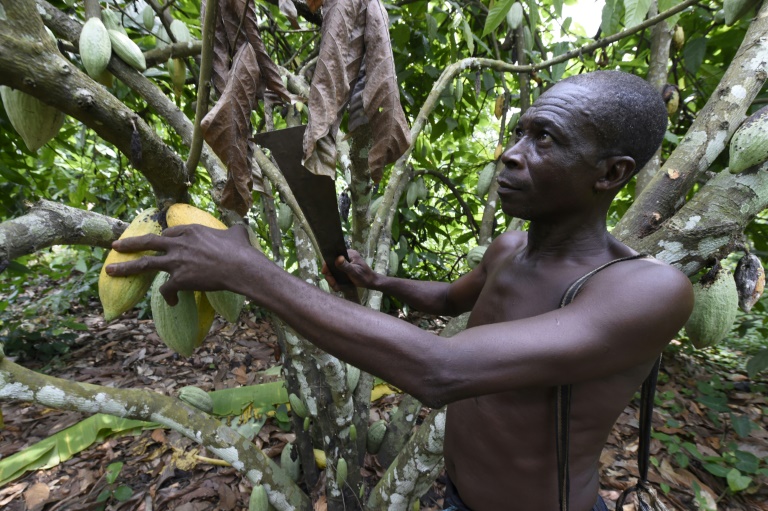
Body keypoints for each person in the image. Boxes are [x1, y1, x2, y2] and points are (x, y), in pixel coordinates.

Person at [107, 70, 694, 511]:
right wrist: (379, 280)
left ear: (611, 173)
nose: (510, 154)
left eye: (545, 139)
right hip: (458, 493)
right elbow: (447, 301)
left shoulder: (646, 291)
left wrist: (250, 273)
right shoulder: (510, 249)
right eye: (518, 132)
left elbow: (440, 369)